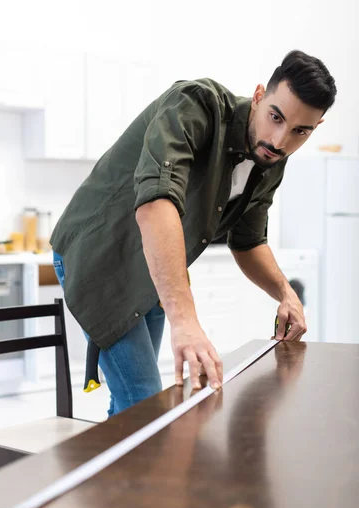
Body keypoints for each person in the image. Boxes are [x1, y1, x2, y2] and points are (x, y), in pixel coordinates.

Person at [50, 49, 337, 417]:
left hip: (151, 267)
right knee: (148, 402)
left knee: (135, 406)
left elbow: (249, 242)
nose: (280, 141)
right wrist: (184, 320)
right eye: (275, 117)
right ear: (260, 94)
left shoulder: (270, 162)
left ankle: (117, 472)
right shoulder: (194, 105)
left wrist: (285, 293)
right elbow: (156, 204)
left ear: (316, 128)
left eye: (300, 131)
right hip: (100, 256)